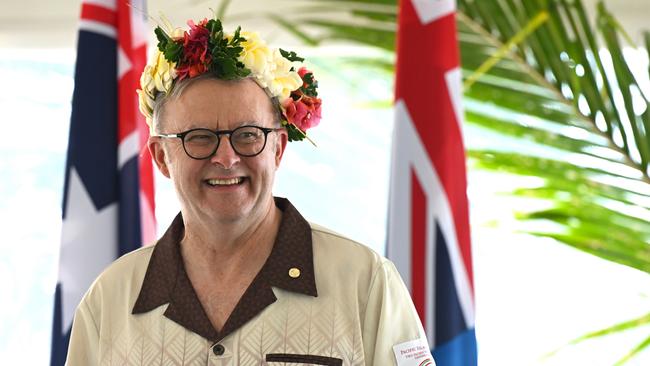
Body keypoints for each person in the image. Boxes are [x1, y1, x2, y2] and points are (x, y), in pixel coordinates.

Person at [66, 14, 435, 366]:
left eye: (247, 136)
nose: (226, 158)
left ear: (278, 148)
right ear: (161, 156)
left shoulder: (365, 284)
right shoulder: (108, 301)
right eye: (199, 138)